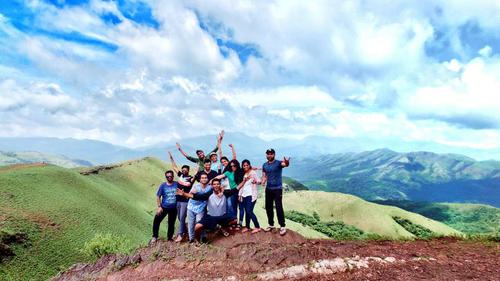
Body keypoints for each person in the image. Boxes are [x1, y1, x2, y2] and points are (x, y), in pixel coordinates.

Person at [261, 148, 290, 236]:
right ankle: (271, 225)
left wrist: (287, 162)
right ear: (266, 155)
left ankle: (282, 226)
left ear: (274, 155)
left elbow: (285, 164)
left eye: (271, 154)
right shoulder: (264, 165)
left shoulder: (278, 163)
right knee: (268, 207)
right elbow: (265, 175)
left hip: (277, 188)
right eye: (268, 154)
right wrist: (263, 181)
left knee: (278, 207)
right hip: (268, 188)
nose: (269, 155)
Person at [168, 151, 195, 243]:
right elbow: (174, 167)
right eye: (183, 169)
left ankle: (180, 234)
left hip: (185, 200)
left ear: (188, 170)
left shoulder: (190, 178)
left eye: (185, 169)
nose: (184, 170)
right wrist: (171, 158)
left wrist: (198, 169)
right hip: (178, 200)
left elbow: (195, 177)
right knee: (180, 217)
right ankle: (185, 230)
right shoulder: (180, 176)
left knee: (182, 217)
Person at [181, 172, 212, 243]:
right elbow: (189, 195)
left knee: (200, 223)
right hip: (191, 207)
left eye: (205, 178)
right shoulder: (196, 186)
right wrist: (191, 193)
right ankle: (191, 239)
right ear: (200, 179)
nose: (204, 179)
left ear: (207, 179)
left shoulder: (209, 187)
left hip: (201, 208)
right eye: (202, 178)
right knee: (191, 223)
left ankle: (203, 237)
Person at [150, 170, 178, 244]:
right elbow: (158, 196)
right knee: (156, 220)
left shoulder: (176, 184)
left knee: (171, 223)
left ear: (173, 176)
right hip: (164, 207)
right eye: (167, 176)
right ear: (166, 177)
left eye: (170, 176)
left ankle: (169, 238)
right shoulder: (163, 185)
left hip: (174, 208)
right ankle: (155, 236)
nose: (169, 177)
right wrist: (159, 207)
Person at [238, 159, 262, 234]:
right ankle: (247, 227)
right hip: (244, 195)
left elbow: (259, 181)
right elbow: (243, 186)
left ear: (249, 165)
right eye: (244, 165)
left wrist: (255, 182)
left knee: (249, 211)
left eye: (246, 165)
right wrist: (240, 195)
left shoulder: (253, 173)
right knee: (247, 212)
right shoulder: (245, 174)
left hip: (251, 195)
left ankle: (257, 227)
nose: (245, 166)